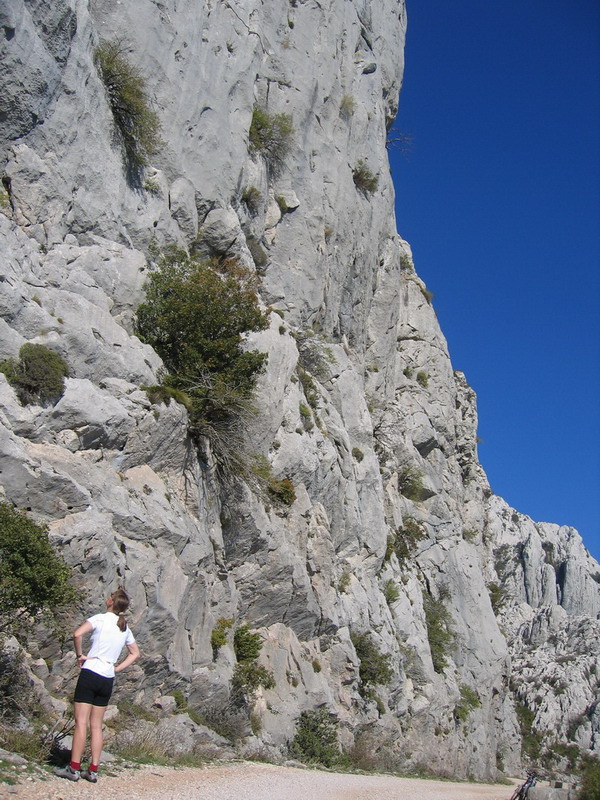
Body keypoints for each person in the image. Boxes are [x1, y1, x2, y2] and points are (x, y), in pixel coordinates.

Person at [54, 587, 140, 783]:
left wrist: (80, 655)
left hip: (91, 672)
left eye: (110, 596)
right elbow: (135, 653)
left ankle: (73, 768)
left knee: (81, 723)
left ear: (111, 602)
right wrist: (116, 668)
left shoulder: (100, 619)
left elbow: (77, 634)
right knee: (96, 726)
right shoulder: (124, 627)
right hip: (107, 677)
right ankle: (93, 770)